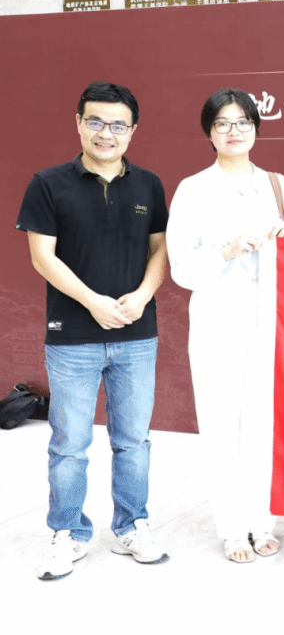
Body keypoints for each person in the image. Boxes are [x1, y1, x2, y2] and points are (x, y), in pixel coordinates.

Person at [17, 81, 170, 580]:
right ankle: (68, 533)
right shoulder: (48, 183)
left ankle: (132, 525)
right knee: (69, 443)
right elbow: (42, 257)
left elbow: (160, 251)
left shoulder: (149, 185)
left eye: (118, 124)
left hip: (137, 335)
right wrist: (93, 302)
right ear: (79, 123)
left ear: (133, 130)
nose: (107, 133)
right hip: (72, 336)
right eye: (96, 121)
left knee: (133, 440)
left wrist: (142, 296)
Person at [167, 88, 284, 563]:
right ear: (209, 132)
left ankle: (261, 522)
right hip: (217, 319)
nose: (234, 131)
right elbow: (182, 267)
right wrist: (226, 250)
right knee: (221, 421)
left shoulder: (276, 185)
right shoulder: (193, 189)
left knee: (264, 421)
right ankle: (231, 529)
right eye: (223, 124)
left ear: (255, 129)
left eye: (243, 122)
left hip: (271, 319)